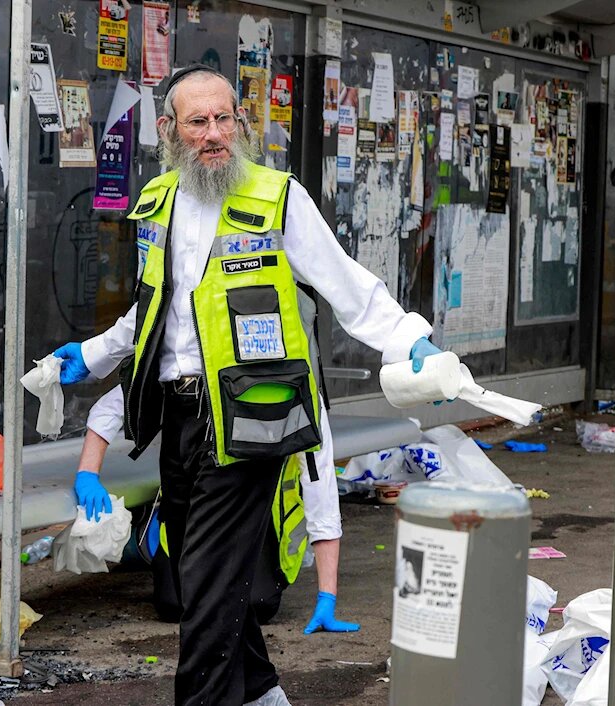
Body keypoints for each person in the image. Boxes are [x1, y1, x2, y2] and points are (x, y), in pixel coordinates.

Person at [48, 65, 445, 706]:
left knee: (202, 585)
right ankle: (259, 691)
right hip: (175, 419)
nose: (214, 135)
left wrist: (409, 339)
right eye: (198, 122)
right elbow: (150, 311)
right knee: (210, 573)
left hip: (249, 414)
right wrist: (91, 357)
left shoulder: (276, 196)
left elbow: (346, 285)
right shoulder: (154, 203)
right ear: (171, 130)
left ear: (240, 122)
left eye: (224, 118)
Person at [77, 385, 360, 635]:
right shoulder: (192, 363)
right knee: (175, 604)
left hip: (259, 523)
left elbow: (320, 486)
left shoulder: (293, 379)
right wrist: (88, 474)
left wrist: (327, 596)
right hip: (192, 512)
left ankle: (145, 541)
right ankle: (142, 538)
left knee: (253, 605)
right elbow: (112, 405)